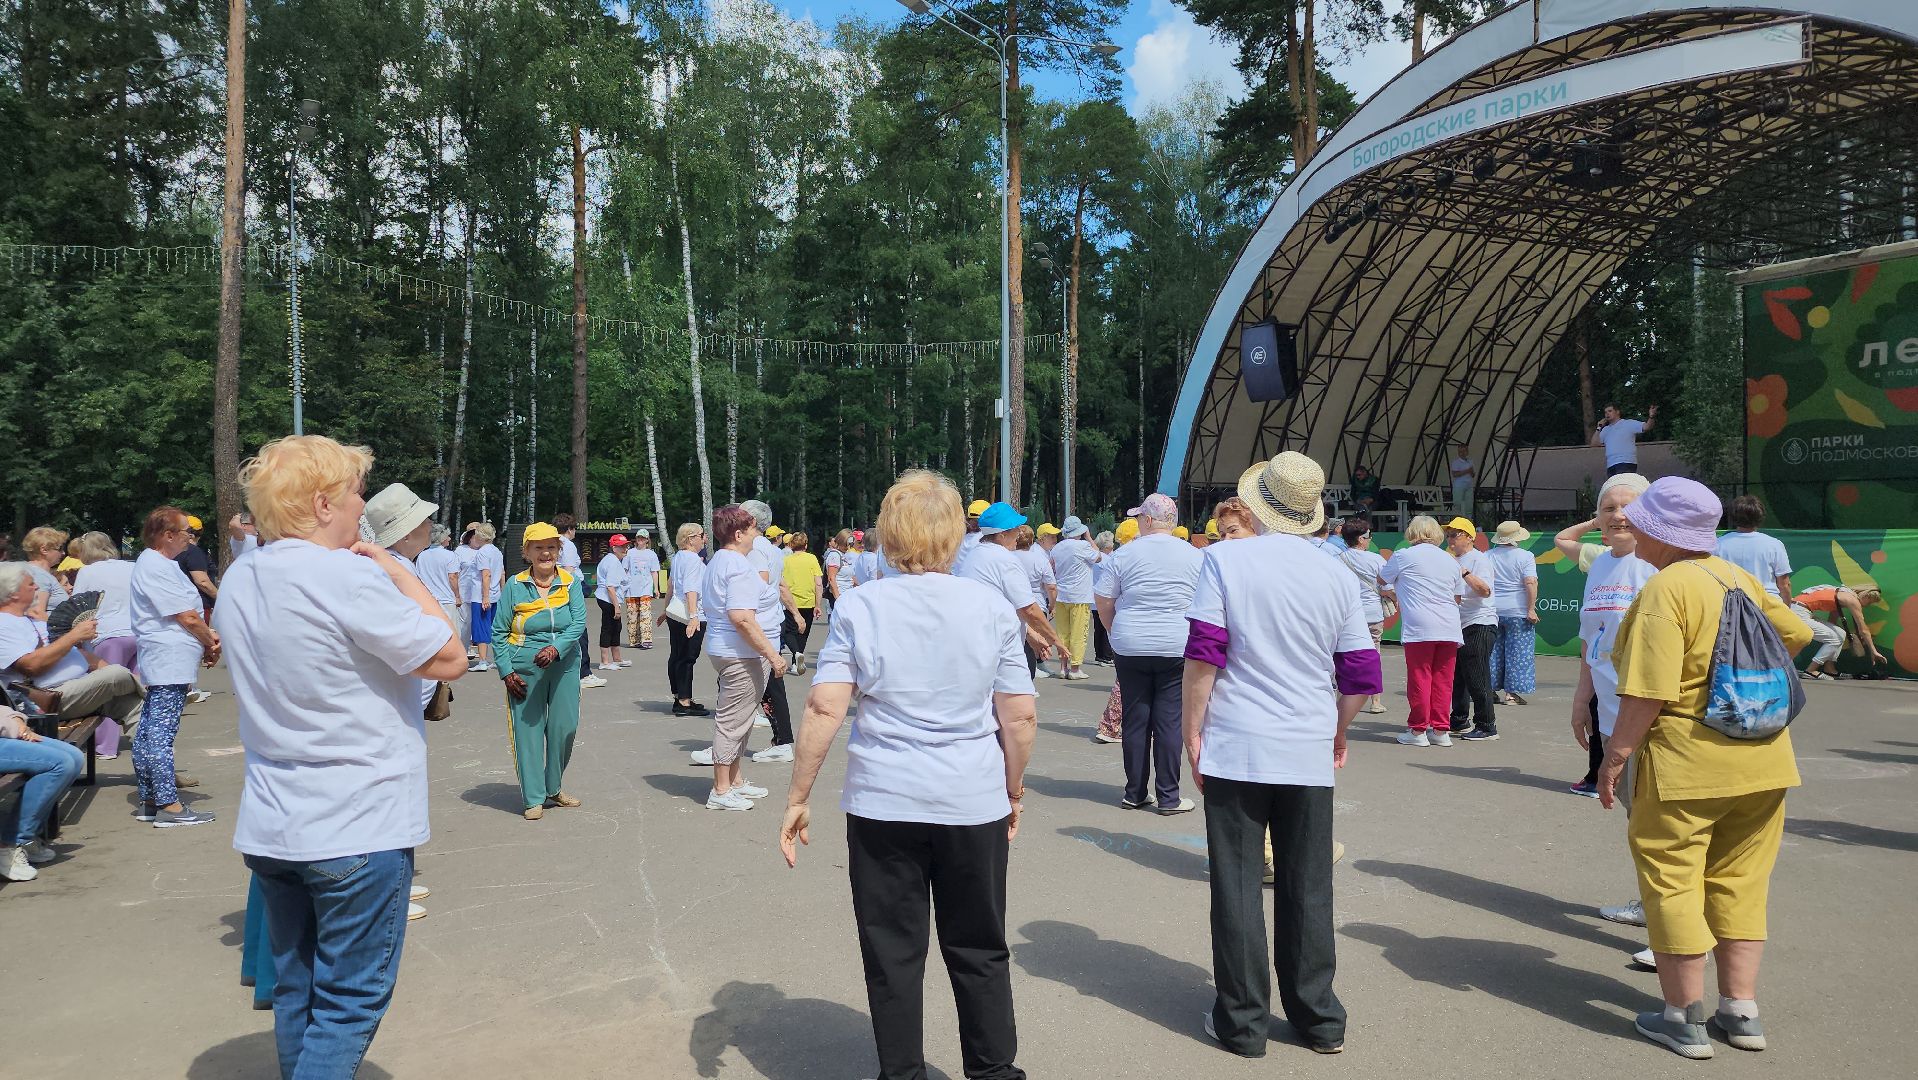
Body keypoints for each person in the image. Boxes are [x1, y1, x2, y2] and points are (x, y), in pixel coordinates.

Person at [215, 435, 467, 1079]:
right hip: (358, 819)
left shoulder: (244, 574)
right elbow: (449, 656)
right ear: (324, 504)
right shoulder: (344, 574)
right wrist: (401, 571)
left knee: (298, 989)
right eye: (356, 494)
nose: (362, 507)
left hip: (275, 821)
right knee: (350, 1002)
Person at [780, 469, 1037, 1080]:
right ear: (955, 536)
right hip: (971, 798)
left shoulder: (862, 606)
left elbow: (823, 707)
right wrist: (1012, 788)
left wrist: (798, 795)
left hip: (884, 800)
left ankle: (902, 1073)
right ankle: (994, 1071)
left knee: (893, 950)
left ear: (889, 534)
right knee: (979, 944)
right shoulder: (990, 607)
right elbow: (1020, 715)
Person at [1597, 476, 1811, 1059]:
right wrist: (1742, 683)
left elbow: (1647, 691)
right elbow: (1794, 632)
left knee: (1673, 882)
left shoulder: (1668, 589)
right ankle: (1741, 1012)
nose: (1630, 525)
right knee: (1741, 884)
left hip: (1686, 766)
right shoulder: (1737, 577)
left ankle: (1681, 1018)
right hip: (1765, 760)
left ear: (1655, 529)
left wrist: (1614, 757)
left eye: (1637, 519)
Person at [1184, 451, 1379, 1058]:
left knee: (1238, 887)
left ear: (1257, 504)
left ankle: (1242, 1022)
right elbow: (1361, 672)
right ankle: (1318, 1016)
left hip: (1238, 743)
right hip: (1306, 746)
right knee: (1308, 883)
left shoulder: (1221, 559)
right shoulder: (1340, 573)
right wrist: (1338, 731)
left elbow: (1203, 656)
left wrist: (1193, 731)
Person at [1097, 493, 1203, 814]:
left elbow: (1104, 600)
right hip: (1176, 644)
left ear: (1147, 520)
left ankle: (1134, 792)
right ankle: (1169, 796)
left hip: (1131, 644)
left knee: (1136, 717)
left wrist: (1116, 631)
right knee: (1169, 720)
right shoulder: (1194, 555)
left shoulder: (1124, 554)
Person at [1558, 472, 1655, 801]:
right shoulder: (1599, 564)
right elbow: (1591, 638)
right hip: (1610, 719)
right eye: (1608, 508)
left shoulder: (1657, 565)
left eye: (1628, 507)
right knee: (1637, 818)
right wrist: (1582, 699)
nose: (1618, 516)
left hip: (1653, 720)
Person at [127, 507, 220, 826]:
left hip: (168, 655)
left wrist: (207, 639)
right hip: (168, 656)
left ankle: (151, 798)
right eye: (185, 533)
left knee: (151, 727)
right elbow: (187, 615)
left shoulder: (157, 563)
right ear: (167, 535)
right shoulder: (155, 565)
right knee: (160, 731)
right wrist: (209, 640)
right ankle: (168, 804)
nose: (189, 539)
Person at [494, 523, 588, 820]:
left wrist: (556, 648)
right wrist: (506, 671)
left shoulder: (570, 581)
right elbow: (498, 631)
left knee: (565, 726)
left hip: (564, 663)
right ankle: (533, 797)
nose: (545, 552)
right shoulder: (515, 585)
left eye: (551, 547)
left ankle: (553, 787)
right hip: (524, 666)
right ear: (527, 552)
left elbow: (577, 622)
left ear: (559, 551)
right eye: (538, 547)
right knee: (528, 732)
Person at [700, 504, 786, 808]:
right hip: (739, 653)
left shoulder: (721, 561)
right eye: (752, 528)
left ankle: (734, 780)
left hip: (731, 650)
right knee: (732, 721)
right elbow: (742, 618)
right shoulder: (735, 565)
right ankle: (721, 790)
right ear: (739, 534)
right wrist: (772, 655)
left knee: (743, 718)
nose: (756, 534)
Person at [1379, 516, 1462, 746]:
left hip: (1420, 625)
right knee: (1444, 679)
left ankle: (1418, 730)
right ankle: (1441, 730)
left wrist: (1393, 591)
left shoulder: (1404, 555)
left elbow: (1382, 578)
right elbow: (1457, 597)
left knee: (1420, 677)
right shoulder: (1450, 560)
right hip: (1450, 624)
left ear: (1412, 532)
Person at [960, 503, 1064, 683]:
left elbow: (1010, 603)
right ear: (1002, 535)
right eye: (1015, 529)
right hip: (1000, 648)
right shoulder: (1006, 560)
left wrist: (1032, 636)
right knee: (1019, 706)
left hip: (977, 643)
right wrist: (1056, 640)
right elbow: (1028, 609)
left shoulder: (975, 554)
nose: (1019, 533)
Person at [0, 702, 86, 880]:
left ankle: (26, 835)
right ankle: (11, 843)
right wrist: (16, 728)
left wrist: (17, 721)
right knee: (60, 764)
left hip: (6, 729)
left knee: (75, 757)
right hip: (5, 732)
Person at [70, 531, 137, 756]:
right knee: (139, 690)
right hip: (136, 632)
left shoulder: (87, 572)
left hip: (106, 634)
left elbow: (78, 606)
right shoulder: (131, 566)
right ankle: (147, 740)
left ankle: (105, 746)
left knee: (107, 691)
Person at [1443, 518, 1497, 740]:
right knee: (1458, 676)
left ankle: (1486, 726)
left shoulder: (1478, 559)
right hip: (1459, 624)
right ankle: (1459, 720)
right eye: (1448, 535)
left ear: (1469, 537)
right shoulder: (1451, 559)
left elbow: (1485, 590)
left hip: (1480, 623)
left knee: (1477, 675)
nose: (1450, 539)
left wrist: (1464, 573)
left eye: (1455, 534)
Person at [1333, 518, 1392, 714]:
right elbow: (1387, 587)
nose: (1369, 540)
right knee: (1374, 655)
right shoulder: (1376, 559)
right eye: (1368, 537)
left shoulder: (1338, 559)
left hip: (1347, 615)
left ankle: (1341, 697)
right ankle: (1375, 701)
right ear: (1361, 539)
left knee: (1345, 656)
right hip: (1373, 613)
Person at [1487, 521, 1539, 707]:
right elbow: (1530, 582)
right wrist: (1531, 608)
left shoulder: (1488, 556)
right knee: (1519, 652)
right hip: (1517, 610)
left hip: (1492, 610)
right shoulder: (1525, 556)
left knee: (1492, 651)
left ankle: (1489, 690)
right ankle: (1511, 694)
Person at [1789, 583, 1885, 679]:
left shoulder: (1841, 593)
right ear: (1866, 596)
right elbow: (1863, 629)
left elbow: (1832, 622)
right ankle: (1810, 670)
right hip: (1798, 612)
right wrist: (1874, 651)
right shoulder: (1852, 600)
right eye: (1869, 602)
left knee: (1840, 634)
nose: (1867, 605)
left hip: (1799, 609)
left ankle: (1829, 669)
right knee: (1835, 638)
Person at [666, 523, 710, 717]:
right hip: (691, 613)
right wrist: (694, 617)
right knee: (687, 657)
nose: (704, 538)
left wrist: (665, 608)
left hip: (676, 612)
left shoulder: (678, 557)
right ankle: (683, 701)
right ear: (691, 538)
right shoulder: (692, 559)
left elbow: (671, 584)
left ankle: (680, 696)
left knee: (677, 654)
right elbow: (691, 588)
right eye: (701, 535)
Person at [1048, 516, 1098, 680]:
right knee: (1078, 633)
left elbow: (1052, 567)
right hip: (1080, 596)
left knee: (1063, 633)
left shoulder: (1057, 548)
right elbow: (1098, 557)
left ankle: (1063, 667)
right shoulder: (1083, 546)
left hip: (1062, 595)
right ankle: (1075, 668)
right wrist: (1090, 538)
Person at [1716, 496, 1792, 600]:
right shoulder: (1774, 544)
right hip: (1767, 605)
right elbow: (1784, 584)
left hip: (1729, 606)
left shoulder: (1717, 544)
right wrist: (1786, 610)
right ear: (1760, 517)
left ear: (1733, 517)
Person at [779, 532, 824, 675]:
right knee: (803, 633)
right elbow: (818, 583)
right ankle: (797, 661)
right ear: (806, 545)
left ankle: (796, 655)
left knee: (788, 632)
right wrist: (818, 604)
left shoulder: (786, 560)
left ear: (791, 545)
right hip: (809, 601)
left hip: (791, 601)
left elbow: (782, 582)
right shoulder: (812, 559)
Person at [415, 524, 465, 648]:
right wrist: (457, 596)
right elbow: (452, 577)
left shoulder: (422, 556)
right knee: (452, 633)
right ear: (442, 539)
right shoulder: (450, 556)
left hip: (428, 600)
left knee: (432, 635)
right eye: (448, 536)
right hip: (446, 599)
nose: (449, 539)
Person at [460, 523, 500, 672]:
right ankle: (497, 659)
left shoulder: (482, 553)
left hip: (481, 595)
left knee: (481, 628)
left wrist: (485, 597)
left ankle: (482, 661)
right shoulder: (497, 551)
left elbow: (485, 574)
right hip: (494, 595)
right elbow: (500, 573)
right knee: (495, 628)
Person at [593, 534, 630, 678]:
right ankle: (605, 661)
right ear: (614, 548)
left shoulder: (612, 560)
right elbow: (610, 587)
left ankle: (617, 659)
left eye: (626, 545)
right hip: (608, 599)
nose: (625, 548)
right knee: (608, 628)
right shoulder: (613, 562)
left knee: (616, 627)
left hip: (607, 598)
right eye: (621, 546)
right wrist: (617, 607)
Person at [1593, 402, 1658, 476]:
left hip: (1626, 462)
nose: (1607, 414)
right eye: (1605, 412)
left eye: (1610, 411)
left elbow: (1647, 427)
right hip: (1611, 464)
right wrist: (1598, 428)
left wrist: (1651, 417)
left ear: (1617, 412)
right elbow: (1594, 444)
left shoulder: (1628, 424)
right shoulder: (1605, 430)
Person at [626, 529, 662, 651]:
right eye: (638, 538)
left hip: (645, 588)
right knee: (632, 616)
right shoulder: (630, 553)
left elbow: (654, 572)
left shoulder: (651, 554)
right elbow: (625, 570)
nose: (640, 540)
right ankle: (634, 640)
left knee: (645, 615)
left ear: (647, 540)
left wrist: (656, 588)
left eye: (643, 538)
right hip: (631, 589)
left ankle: (646, 639)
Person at [176, 516, 219, 613]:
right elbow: (203, 582)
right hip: (198, 606)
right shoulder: (193, 552)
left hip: (180, 604)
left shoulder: (172, 551)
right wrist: (221, 598)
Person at [1448, 443, 1475, 517]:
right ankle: (1457, 522)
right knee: (1457, 504)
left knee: (1469, 505)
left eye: (1464, 451)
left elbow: (1473, 474)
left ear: (1467, 452)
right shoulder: (1456, 462)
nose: (1462, 453)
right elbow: (1454, 474)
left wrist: (1471, 471)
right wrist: (1467, 471)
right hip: (1459, 486)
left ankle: (1468, 521)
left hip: (1469, 485)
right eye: (1460, 452)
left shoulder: (1470, 461)